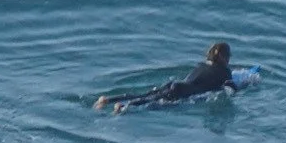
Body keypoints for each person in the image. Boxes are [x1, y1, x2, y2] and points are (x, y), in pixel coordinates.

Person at [96, 43, 235, 113]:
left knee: (146, 95)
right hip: (183, 92)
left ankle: (108, 99)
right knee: (153, 104)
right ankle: (122, 108)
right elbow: (230, 87)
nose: (229, 59)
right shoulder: (225, 72)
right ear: (223, 57)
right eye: (228, 56)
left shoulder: (201, 65)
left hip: (175, 84)